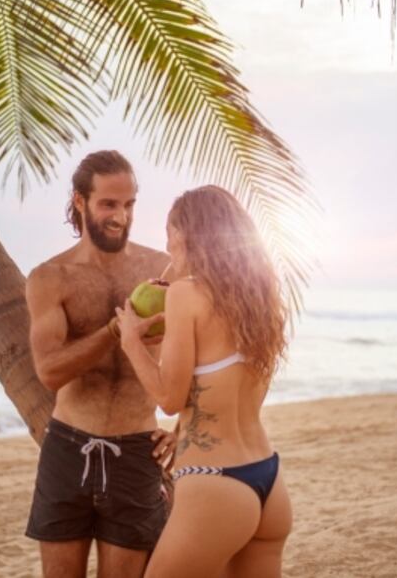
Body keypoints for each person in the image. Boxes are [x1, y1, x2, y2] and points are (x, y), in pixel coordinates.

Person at [116, 185, 293, 578]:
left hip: (217, 486)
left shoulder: (185, 294)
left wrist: (131, 341)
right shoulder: (260, 299)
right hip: (267, 479)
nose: (167, 248)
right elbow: (231, 389)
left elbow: (168, 397)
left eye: (170, 236)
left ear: (186, 236)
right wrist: (183, 433)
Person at [24, 150, 176, 578]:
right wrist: (116, 332)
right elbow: (50, 371)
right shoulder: (50, 278)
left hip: (136, 452)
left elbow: (209, 351)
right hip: (68, 450)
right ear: (80, 201)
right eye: (108, 204)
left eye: (128, 205)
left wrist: (187, 427)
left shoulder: (162, 271)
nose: (120, 217)